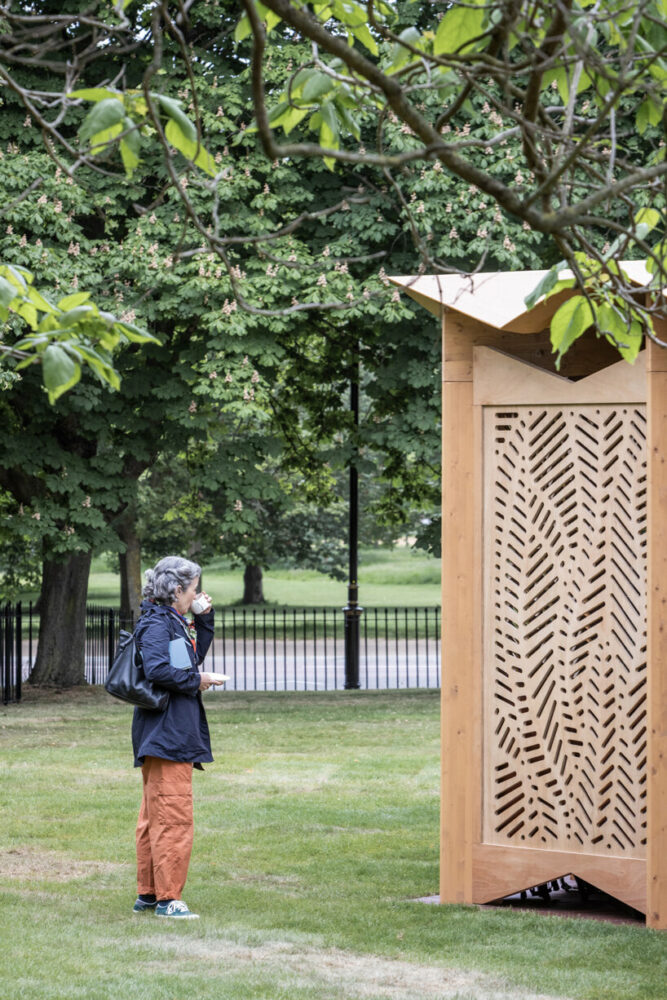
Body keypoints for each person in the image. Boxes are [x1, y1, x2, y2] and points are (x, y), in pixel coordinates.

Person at [131, 555, 223, 920]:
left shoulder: (170, 620)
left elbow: (190, 659)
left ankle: (150, 894)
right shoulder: (158, 623)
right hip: (166, 733)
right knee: (172, 815)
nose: (196, 594)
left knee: (156, 813)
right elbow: (159, 671)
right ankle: (169, 899)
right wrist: (197, 681)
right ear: (177, 590)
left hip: (167, 732)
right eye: (193, 589)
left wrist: (203, 619)